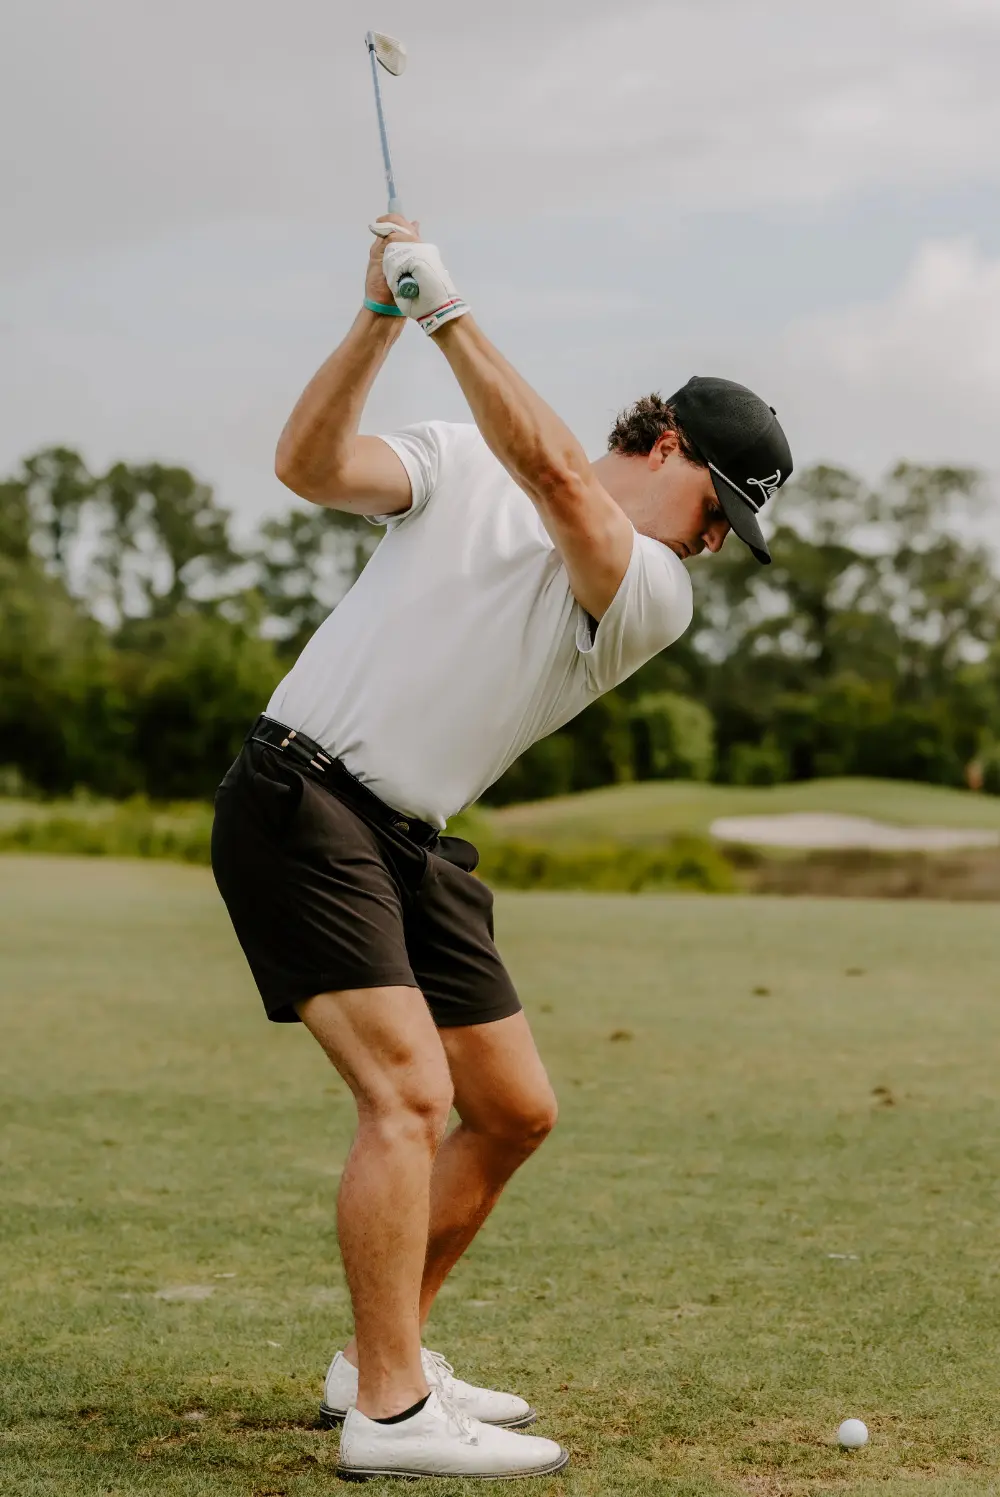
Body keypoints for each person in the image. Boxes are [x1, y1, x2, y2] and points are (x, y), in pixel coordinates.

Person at [210, 215, 793, 1481]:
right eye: (719, 509)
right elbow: (309, 467)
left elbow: (568, 492)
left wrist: (446, 313)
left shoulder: (650, 587)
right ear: (674, 444)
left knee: (514, 1110)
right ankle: (391, 1416)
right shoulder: (461, 461)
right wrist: (379, 320)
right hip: (302, 801)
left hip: (412, 841)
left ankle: (382, 1360)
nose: (712, 542)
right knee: (411, 1097)